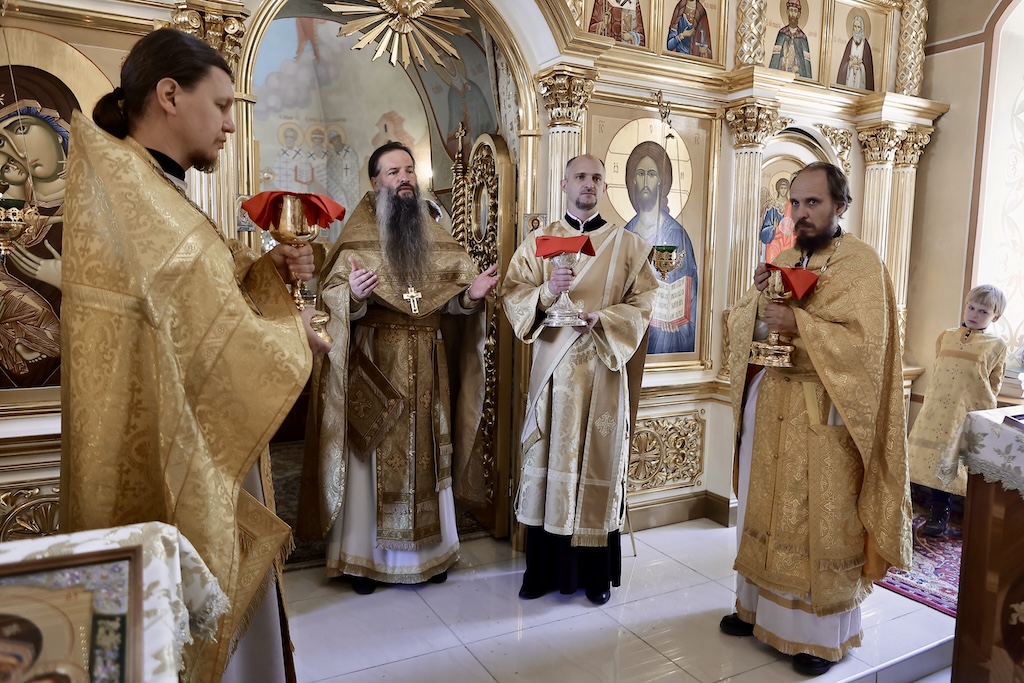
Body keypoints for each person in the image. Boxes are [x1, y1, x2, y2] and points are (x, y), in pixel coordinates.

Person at [61, 27, 329, 683]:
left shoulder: (147, 184)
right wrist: (293, 332)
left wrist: (266, 272)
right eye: (222, 105)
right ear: (170, 95)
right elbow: (202, 321)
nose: (231, 125)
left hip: (202, 437)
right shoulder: (136, 193)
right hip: (176, 447)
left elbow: (204, 298)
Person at [722, 162, 911, 676]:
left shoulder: (861, 265)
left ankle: (815, 637)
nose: (801, 213)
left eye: (814, 203)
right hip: (772, 406)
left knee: (815, 519)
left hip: (825, 413)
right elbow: (745, 325)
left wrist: (799, 323)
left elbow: (869, 349)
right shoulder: (785, 257)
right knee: (761, 506)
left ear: (840, 206)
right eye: (796, 203)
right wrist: (758, 301)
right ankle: (753, 608)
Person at [300, 141, 499, 594]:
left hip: (428, 366)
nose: (405, 178)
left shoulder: (434, 234)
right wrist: (352, 295)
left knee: (427, 456)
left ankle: (432, 555)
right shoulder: (356, 237)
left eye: (409, 170)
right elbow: (329, 304)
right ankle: (363, 562)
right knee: (370, 460)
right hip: (374, 368)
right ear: (375, 183)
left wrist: (472, 296)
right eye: (393, 172)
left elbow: (453, 299)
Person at [502, 154, 658, 605]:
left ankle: (595, 576)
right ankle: (541, 571)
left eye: (596, 178)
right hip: (552, 379)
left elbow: (644, 304)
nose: (588, 184)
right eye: (580, 177)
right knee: (548, 462)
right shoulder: (538, 242)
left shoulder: (628, 246)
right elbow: (512, 293)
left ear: (604, 187)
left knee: (596, 464)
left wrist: (603, 319)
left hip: (602, 375)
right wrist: (547, 291)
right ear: (564, 184)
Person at [910, 285, 1007, 536]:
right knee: (931, 458)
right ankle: (926, 507)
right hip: (937, 409)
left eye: (983, 311)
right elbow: (940, 369)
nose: (974, 314)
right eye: (971, 307)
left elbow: (994, 382)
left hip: (968, 412)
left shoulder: (996, 345)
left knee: (958, 462)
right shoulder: (946, 336)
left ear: (995, 316)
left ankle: (953, 514)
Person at [623, 141, 699, 354]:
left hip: (665, 335)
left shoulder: (675, 233)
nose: (645, 181)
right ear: (633, 179)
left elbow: (689, 290)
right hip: (631, 328)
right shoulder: (625, 234)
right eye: (640, 174)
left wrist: (678, 319)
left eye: (652, 174)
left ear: (660, 181)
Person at [768, 0, 813, 78]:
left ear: (798, 14)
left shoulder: (802, 37)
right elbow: (775, 59)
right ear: (787, 12)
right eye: (791, 10)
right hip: (782, 75)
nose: (792, 14)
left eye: (795, 11)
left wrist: (799, 68)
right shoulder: (782, 33)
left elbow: (806, 64)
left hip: (797, 76)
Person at [760, 176, 796, 263]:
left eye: (785, 188)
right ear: (778, 189)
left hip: (788, 241)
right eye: (781, 188)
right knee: (773, 264)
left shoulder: (792, 205)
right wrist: (773, 228)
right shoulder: (772, 206)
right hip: (775, 241)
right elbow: (765, 229)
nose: (783, 190)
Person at [836, 14, 875, 90]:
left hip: (860, 80)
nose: (856, 29)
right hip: (849, 79)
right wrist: (850, 64)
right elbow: (844, 65)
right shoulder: (850, 43)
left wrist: (860, 66)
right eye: (855, 26)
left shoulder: (866, 45)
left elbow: (868, 70)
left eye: (858, 27)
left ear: (862, 28)